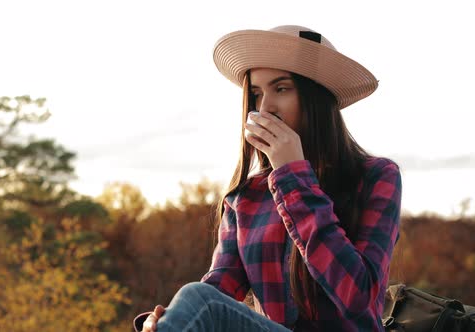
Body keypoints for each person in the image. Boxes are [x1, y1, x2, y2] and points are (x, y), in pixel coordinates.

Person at [134, 25, 402, 332]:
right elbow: (218, 292)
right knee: (198, 299)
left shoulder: (377, 176)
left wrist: (293, 178)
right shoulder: (246, 196)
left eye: (282, 88)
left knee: (200, 300)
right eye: (257, 94)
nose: (265, 108)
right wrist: (167, 318)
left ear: (317, 98)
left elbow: (358, 299)